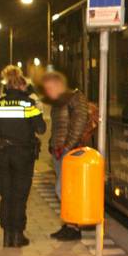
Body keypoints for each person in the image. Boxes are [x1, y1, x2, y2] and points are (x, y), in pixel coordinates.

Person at [0, 65, 46, 248]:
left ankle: (7, 235)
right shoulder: (28, 105)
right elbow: (41, 129)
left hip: (3, 155)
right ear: (21, 83)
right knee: (20, 195)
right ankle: (18, 235)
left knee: (6, 194)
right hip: (23, 155)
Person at [41, 70, 90, 241]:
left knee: (63, 189)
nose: (49, 91)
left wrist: (67, 147)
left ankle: (74, 227)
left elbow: (79, 123)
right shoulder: (58, 102)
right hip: (58, 151)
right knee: (66, 190)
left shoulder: (75, 98)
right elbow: (57, 127)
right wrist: (52, 145)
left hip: (70, 152)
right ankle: (69, 224)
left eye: (51, 87)